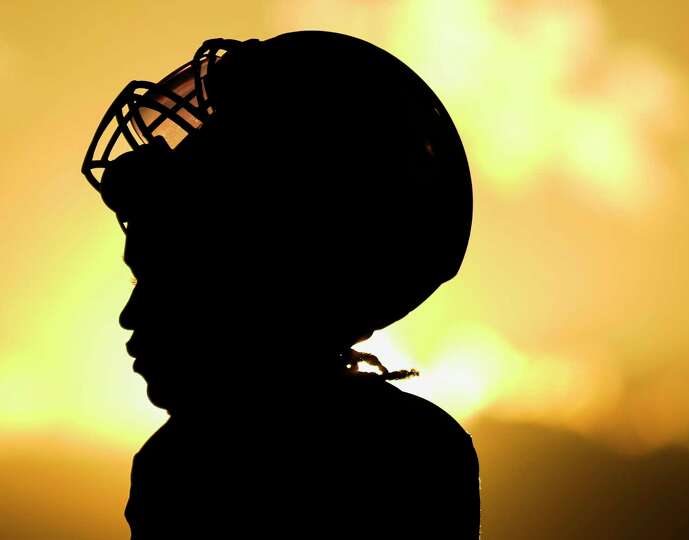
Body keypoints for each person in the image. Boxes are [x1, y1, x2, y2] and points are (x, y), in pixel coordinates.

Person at [81, 31, 479, 538]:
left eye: (169, 277)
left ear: (265, 275)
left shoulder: (186, 468)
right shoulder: (421, 446)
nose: (130, 314)